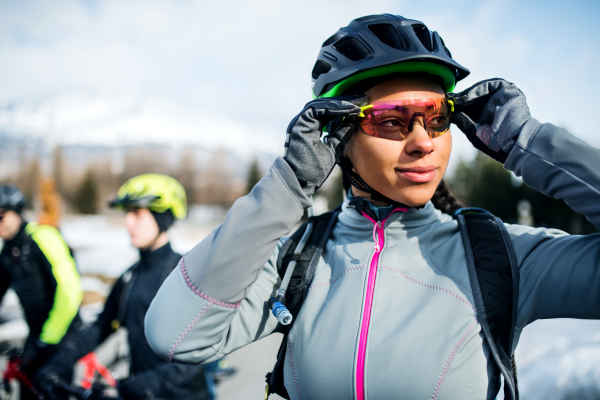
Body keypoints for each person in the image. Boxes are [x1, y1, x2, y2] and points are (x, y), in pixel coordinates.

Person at [144, 14, 600, 400]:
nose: (423, 142)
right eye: (393, 119)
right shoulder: (297, 260)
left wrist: (530, 143)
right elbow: (175, 334)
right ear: (339, 134)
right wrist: (290, 184)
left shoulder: (501, 257)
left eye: (437, 116)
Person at [36, 174, 213, 400]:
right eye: (127, 213)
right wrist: (58, 364)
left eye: (137, 213)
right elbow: (100, 327)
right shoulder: (130, 276)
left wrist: (154, 380)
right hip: (139, 393)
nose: (128, 222)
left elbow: (202, 350)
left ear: (162, 218)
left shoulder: (185, 274)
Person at [0, 184, 83, 400]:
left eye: (2, 215)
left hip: (63, 332)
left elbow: (70, 290)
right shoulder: (8, 252)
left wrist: (49, 338)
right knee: (27, 387)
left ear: (17, 212)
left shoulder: (43, 237)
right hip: (37, 333)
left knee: (52, 390)